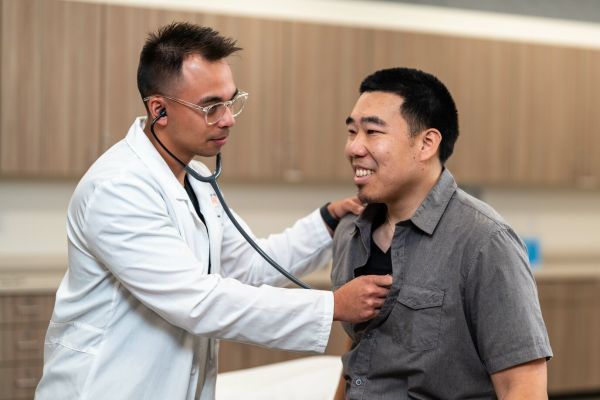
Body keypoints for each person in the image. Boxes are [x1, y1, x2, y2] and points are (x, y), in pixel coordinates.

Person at [35, 22, 393, 400]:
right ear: (159, 110)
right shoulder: (118, 188)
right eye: (210, 107)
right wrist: (332, 305)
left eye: (231, 100)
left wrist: (328, 221)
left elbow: (249, 266)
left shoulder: (196, 178)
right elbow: (197, 301)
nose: (228, 118)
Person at [331, 67, 552, 399]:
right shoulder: (350, 231)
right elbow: (362, 348)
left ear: (426, 143)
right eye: (351, 131)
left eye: (372, 132)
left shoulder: (485, 242)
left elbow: (522, 386)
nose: (354, 148)